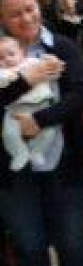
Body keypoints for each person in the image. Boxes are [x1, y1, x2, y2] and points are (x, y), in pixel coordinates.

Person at [0, 0, 83, 266]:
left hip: (65, 160)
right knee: (30, 243)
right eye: (15, 15)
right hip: (13, 170)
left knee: (72, 240)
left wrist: (40, 120)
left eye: (30, 10)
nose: (26, 19)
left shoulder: (61, 44)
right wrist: (27, 80)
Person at [0, 36, 60, 171]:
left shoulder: (32, 62)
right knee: (9, 134)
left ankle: (37, 151)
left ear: (22, 52)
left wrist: (51, 61)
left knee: (49, 131)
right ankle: (19, 153)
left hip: (41, 106)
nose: (7, 59)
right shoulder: (2, 72)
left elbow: (52, 73)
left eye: (11, 54)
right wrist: (10, 76)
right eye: (1, 58)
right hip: (15, 110)